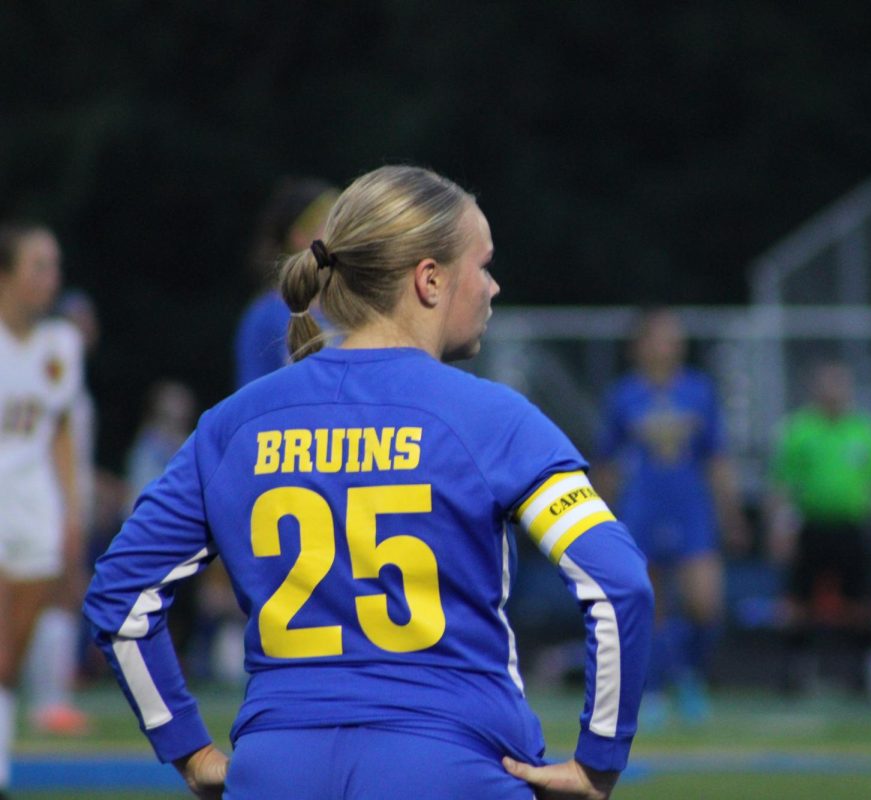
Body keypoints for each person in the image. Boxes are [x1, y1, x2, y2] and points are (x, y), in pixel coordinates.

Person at [84, 165, 653, 800]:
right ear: (429, 280)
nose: (493, 286)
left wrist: (188, 750)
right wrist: (598, 763)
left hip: (277, 772)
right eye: (484, 264)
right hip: (450, 767)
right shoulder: (492, 419)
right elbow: (618, 583)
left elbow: (120, 594)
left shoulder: (233, 425)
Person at [593, 309, 746, 725]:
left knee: (705, 603)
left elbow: (716, 459)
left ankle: (689, 673)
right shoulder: (624, 396)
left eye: (674, 337)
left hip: (690, 509)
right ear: (641, 345)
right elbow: (606, 462)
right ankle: (657, 687)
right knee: (651, 605)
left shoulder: (699, 392)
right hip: (643, 508)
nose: (671, 344)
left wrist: (729, 513)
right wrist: (598, 519)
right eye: (661, 337)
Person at [765, 360, 871, 693]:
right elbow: (782, 486)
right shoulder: (799, 430)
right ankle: (796, 667)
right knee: (799, 601)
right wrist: (779, 528)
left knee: (865, 599)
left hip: (854, 527)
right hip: (812, 527)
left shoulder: (865, 431)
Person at [0, 222, 85, 797]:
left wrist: (71, 510)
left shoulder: (62, 345)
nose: (50, 278)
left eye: (53, 265)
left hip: (32, 510)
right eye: (38, 265)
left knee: (7, 658)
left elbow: (58, 430)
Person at [21, 289, 102, 736]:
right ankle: (49, 700)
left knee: (62, 598)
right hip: (51, 507)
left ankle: (51, 695)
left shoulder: (74, 386)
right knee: (57, 597)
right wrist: (66, 512)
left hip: (64, 503)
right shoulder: (53, 385)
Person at [233, 177, 337, 388]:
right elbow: (251, 394)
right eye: (330, 226)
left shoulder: (350, 310)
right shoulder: (267, 316)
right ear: (299, 237)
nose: (342, 236)